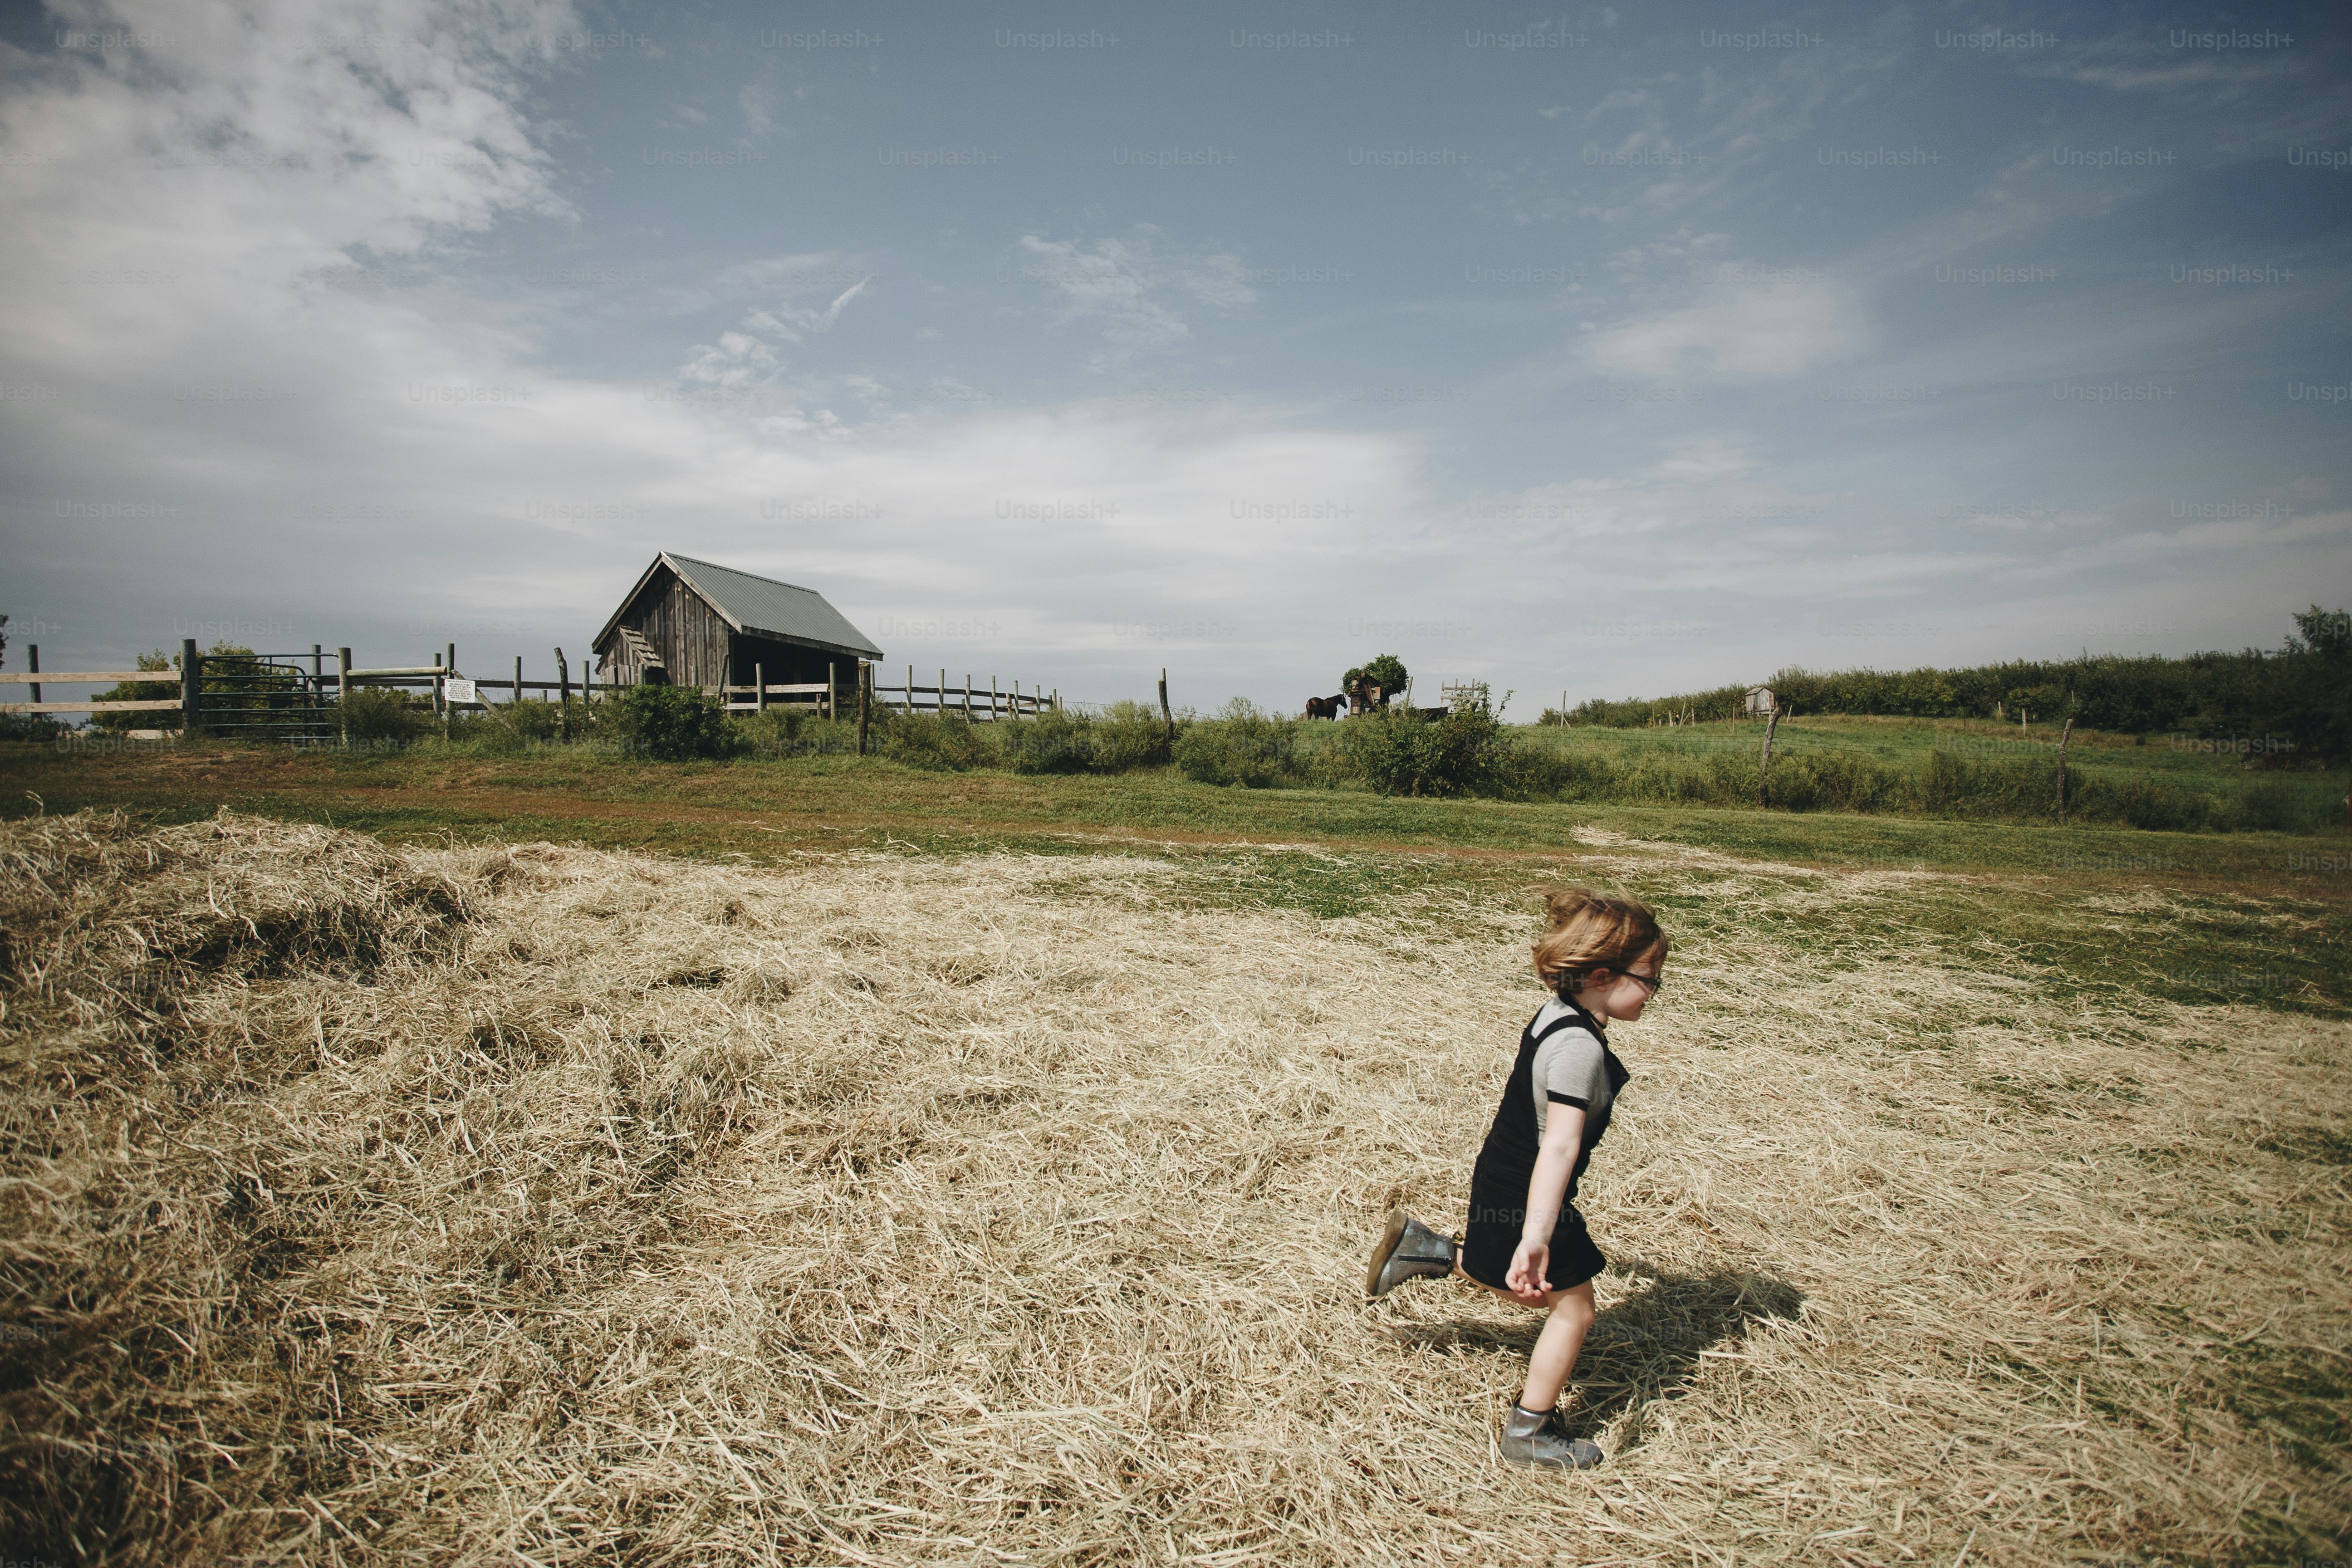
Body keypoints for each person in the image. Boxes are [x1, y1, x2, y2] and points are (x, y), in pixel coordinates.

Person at [1363, 886, 1668, 1469]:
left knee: (1529, 1287)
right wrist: (1535, 1232)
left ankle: (1425, 1250)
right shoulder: (1579, 1047)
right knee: (1572, 1308)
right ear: (1602, 973)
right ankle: (1529, 1430)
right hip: (1528, 1192)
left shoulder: (1561, 1010)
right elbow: (1558, 1144)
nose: (1655, 990)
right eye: (1650, 977)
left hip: (1506, 1177)